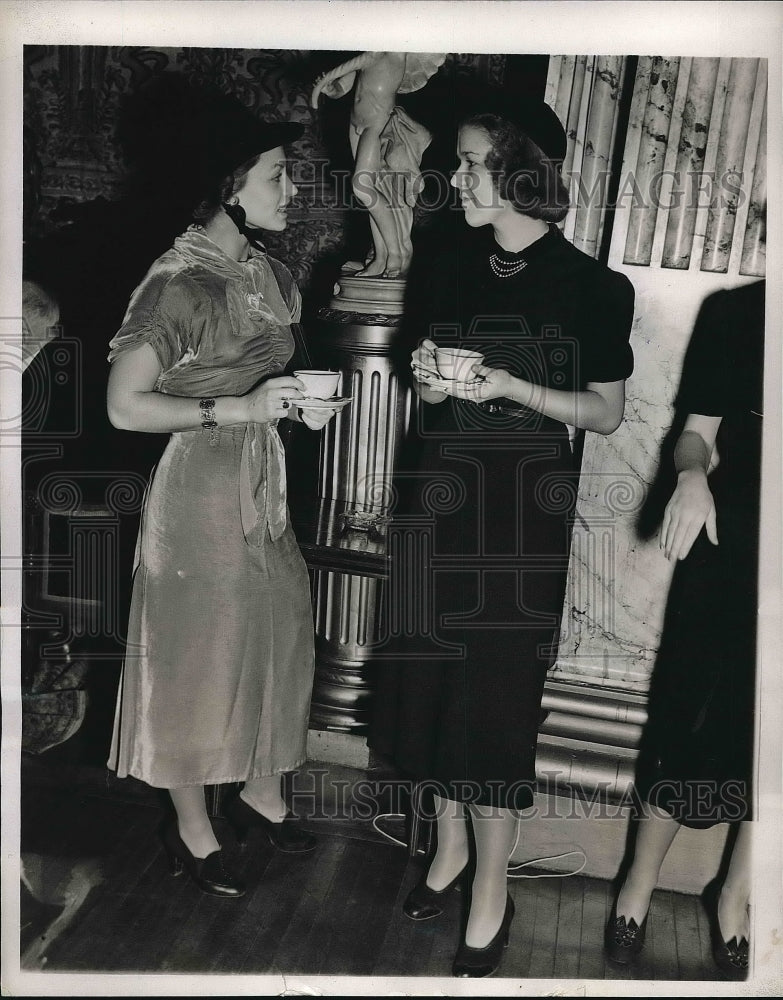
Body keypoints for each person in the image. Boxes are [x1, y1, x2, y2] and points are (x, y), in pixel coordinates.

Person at [370, 95, 635, 977]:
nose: (454, 175)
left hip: (518, 510)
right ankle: (447, 852)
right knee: (431, 678)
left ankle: (491, 890)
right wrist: (432, 381)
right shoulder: (445, 256)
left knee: (491, 702)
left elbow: (603, 411)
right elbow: (427, 377)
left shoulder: (594, 286)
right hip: (437, 491)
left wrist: (510, 389)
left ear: (525, 172)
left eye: (472, 161)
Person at [106, 88, 341, 897]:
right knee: (194, 655)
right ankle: (192, 826)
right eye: (278, 176)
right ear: (230, 188)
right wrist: (238, 406)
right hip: (198, 490)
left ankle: (260, 790)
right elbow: (123, 404)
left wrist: (293, 405)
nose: (293, 191)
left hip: (259, 474)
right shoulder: (177, 282)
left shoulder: (267, 269)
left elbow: (264, 373)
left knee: (280, 627)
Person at [604, 279, 764, 978]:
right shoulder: (739, 312)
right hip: (730, 545)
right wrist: (691, 479)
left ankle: (736, 897)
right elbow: (695, 436)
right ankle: (636, 885)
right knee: (687, 716)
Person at [311, 51, 445, 278]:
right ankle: (380, 256)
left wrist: (323, 84)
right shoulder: (372, 54)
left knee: (362, 188)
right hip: (356, 126)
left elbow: (351, 65)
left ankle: (395, 253)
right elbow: (343, 85)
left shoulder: (391, 54)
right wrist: (330, 89)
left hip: (376, 126)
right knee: (376, 192)